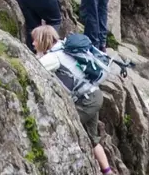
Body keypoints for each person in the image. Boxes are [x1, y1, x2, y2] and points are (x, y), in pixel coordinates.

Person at [32, 27, 124, 173]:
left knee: (64, 126)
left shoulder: (53, 57)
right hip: (94, 94)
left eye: (35, 40)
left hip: (86, 102)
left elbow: (33, 68)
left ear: (43, 40)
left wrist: (38, 54)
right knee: (93, 138)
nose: (33, 43)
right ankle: (107, 172)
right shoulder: (64, 46)